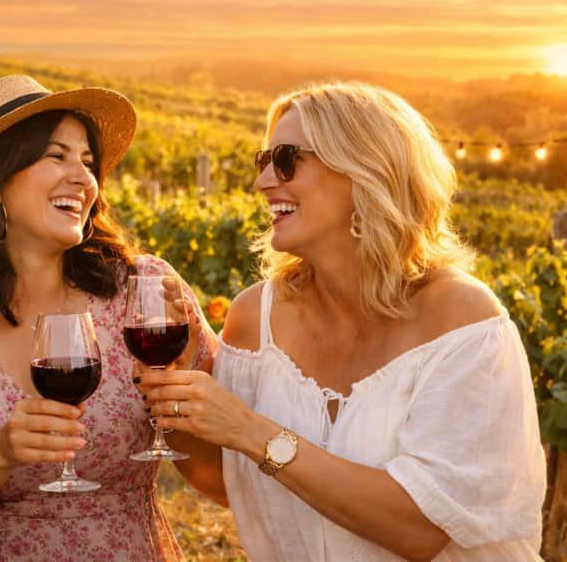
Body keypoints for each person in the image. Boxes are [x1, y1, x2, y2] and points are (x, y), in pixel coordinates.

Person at [138, 82, 546, 561]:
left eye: (286, 160)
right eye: (263, 161)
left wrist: (252, 430)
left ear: (364, 172)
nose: (263, 182)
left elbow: (421, 529)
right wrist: (178, 390)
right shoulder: (255, 317)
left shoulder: (462, 320)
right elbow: (225, 481)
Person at [0, 75, 214, 561]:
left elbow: (215, 478)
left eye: (88, 162)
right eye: (56, 156)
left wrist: (177, 396)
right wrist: (0, 453)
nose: (83, 178)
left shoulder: (143, 295)